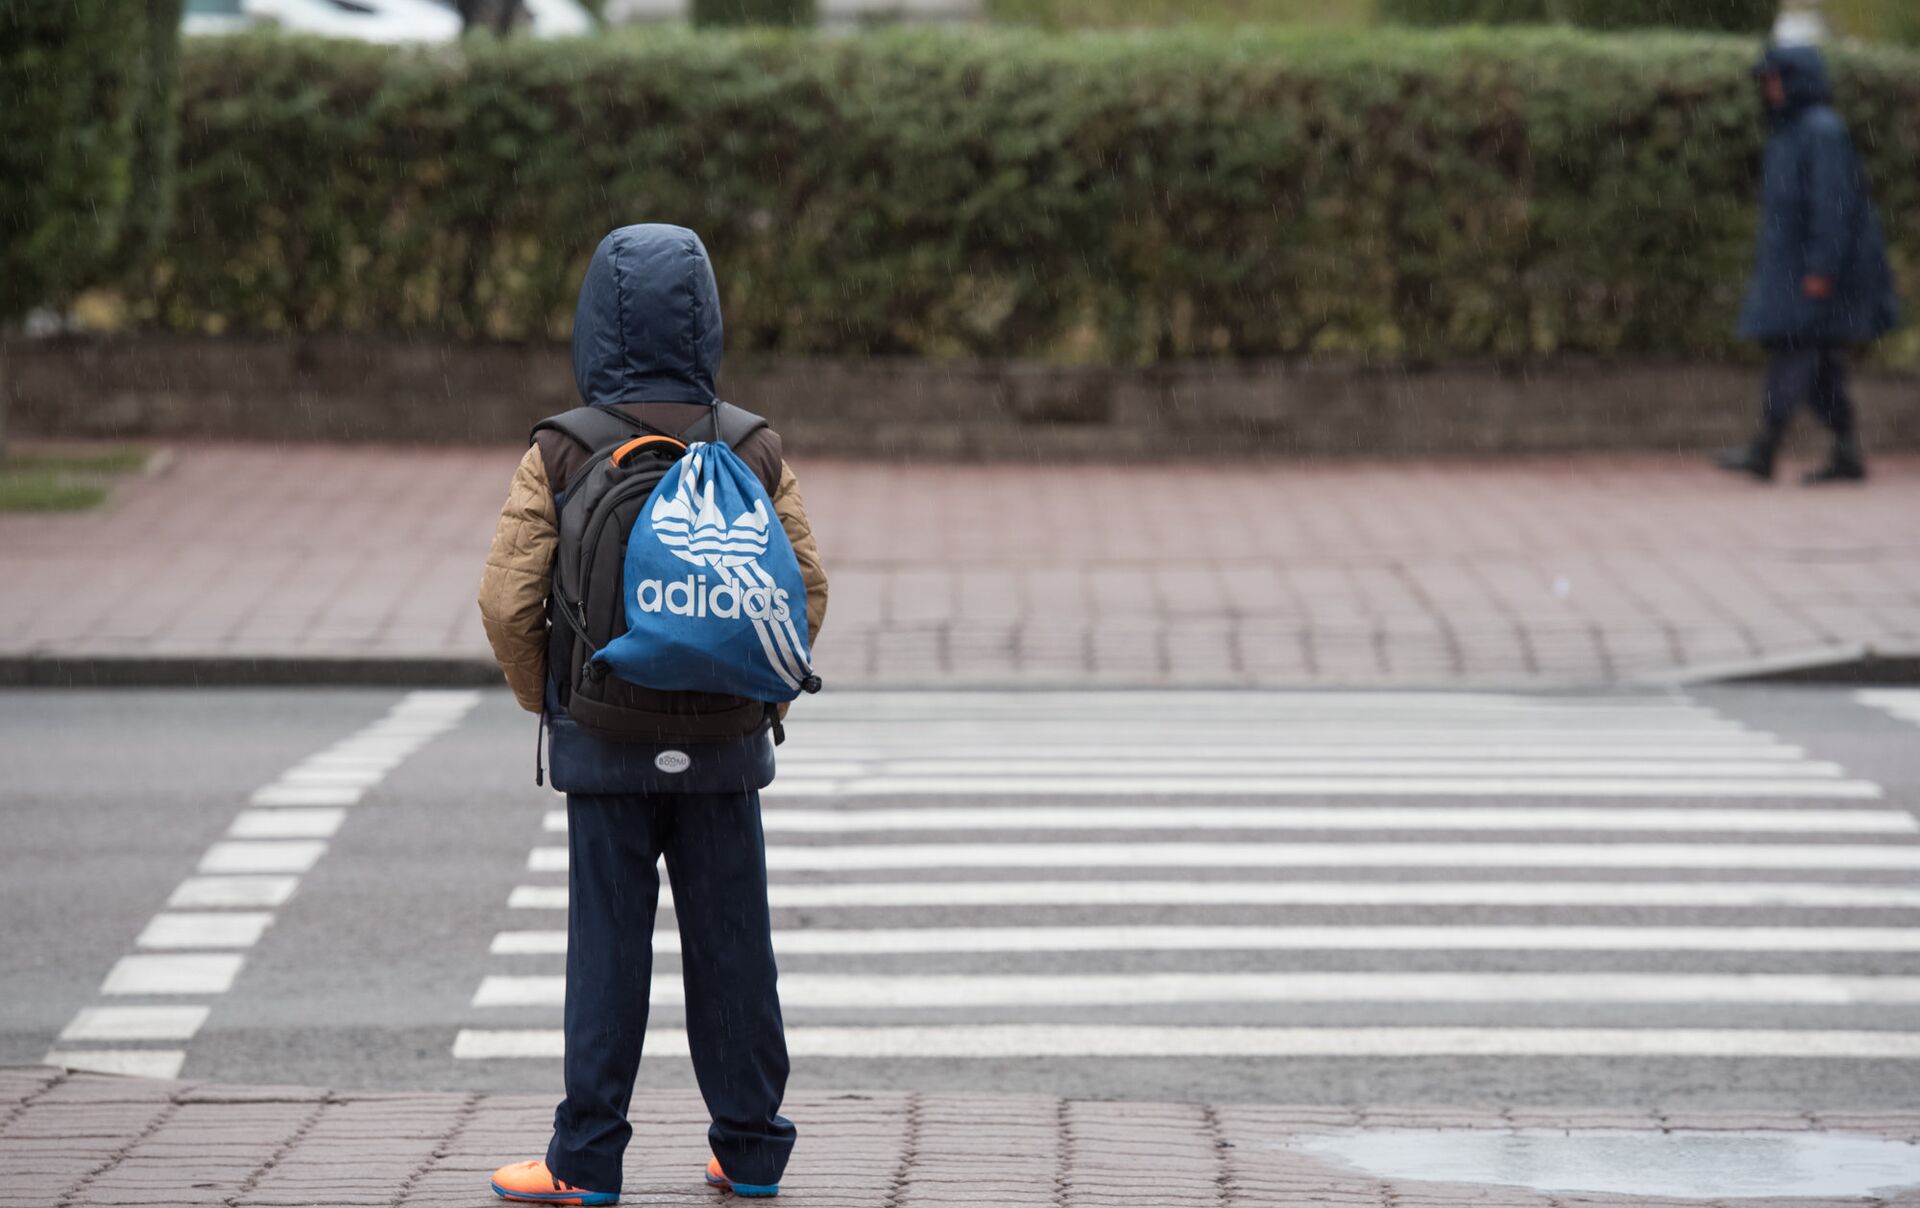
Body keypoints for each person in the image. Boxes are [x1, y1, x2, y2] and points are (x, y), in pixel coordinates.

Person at [476, 223, 829, 1206]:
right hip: (723, 744)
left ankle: (585, 1162)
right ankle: (750, 1149)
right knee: (734, 945)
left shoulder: (561, 447)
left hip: (605, 740)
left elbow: (507, 602)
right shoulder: (751, 443)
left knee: (606, 951)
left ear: (593, 323)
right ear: (708, 318)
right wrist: (752, 688)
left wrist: (555, 698)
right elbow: (803, 587)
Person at [1716, 42, 1900, 485]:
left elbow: (1832, 206)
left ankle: (1765, 448)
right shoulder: (1789, 131)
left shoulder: (1820, 131)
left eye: (1777, 78)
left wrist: (1822, 268)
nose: (1770, 88)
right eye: (1766, 80)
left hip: (1815, 273)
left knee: (1793, 353)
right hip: (1797, 268)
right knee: (1818, 365)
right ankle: (1847, 452)